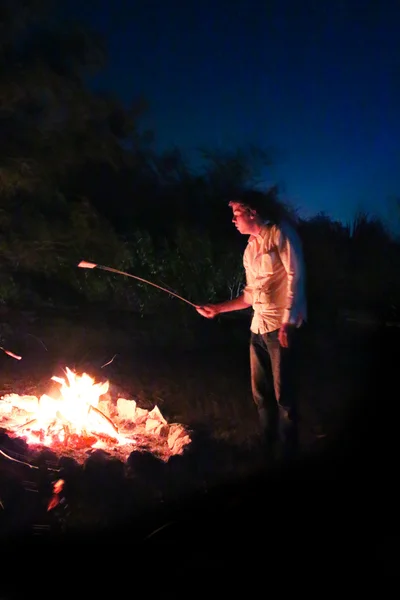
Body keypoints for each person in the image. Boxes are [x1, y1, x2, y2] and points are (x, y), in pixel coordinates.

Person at [195, 189, 307, 463]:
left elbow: (296, 277)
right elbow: (249, 295)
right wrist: (217, 308)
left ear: (252, 212)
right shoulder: (249, 250)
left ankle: (288, 454)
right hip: (257, 329)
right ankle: (267, 448)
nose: (233, 220)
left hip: (279, 330)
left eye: (236, 214)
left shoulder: (280, 234)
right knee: (261, 395)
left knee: (285, 399)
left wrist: (289, 322)